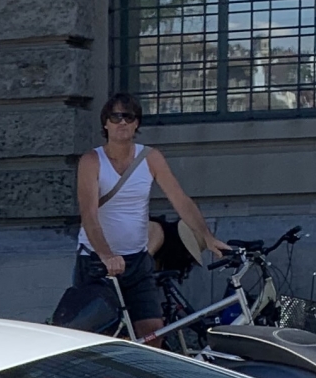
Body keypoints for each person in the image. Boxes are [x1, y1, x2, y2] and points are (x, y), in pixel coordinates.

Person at [55, 93, 225, 340]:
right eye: (115, 117)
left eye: (128, 116)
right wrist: (107, 255)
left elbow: (180, 200)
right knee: (105, 336)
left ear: (136, 124)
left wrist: (207, 238)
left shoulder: (150, 158)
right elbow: (89, 215)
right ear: (105, 123)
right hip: (96, 263)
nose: (122, 122)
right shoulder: (92, 161)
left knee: (152, 332)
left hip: (137, 262)